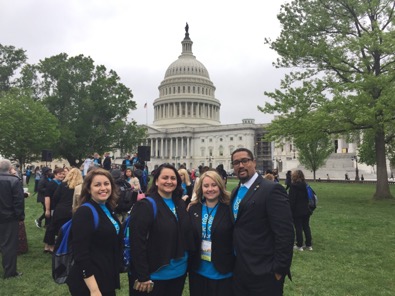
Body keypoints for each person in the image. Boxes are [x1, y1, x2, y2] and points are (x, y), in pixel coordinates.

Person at [230, 148, 294, 296]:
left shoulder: (271, 189)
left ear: (253, 162)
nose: (241, 166)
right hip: (240, 269)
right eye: (236, 162)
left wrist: (279, 269)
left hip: (264, 272)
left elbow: (285, 233)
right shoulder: (235, 191)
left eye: (245, 161)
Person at [128, 163, 193, 296]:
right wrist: (143, 276)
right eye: (165, 178)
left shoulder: (180, 204)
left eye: (173, 178)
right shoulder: (145, 206)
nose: (169, 181)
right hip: (154, 276)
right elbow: (136, 242)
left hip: (178, 274)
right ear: (156, 181)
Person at [66, 169, 122, 296]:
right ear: (89, 189)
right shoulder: (85, 213)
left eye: (106, 184)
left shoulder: (107, 207)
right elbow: (81, 254)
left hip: (105, 276)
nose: (103, 188)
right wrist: (94, 289)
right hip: (89, 283)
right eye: (97, 185)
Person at [188, 170, 234, 296]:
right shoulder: (193, 209)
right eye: (206, 186)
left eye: (214, 185)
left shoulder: (229, 209)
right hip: (198, 270)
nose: (210, 189)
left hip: (223, 271)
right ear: (201, 188)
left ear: (220, 186)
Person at [46, 168, 83, 252]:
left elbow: (55, 197)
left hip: (61, 209)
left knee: (57, 229)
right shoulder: (81, 186)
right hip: (73, 210)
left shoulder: (63, 185)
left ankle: (55, 246)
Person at [0, 159, 25, 279]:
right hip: (9, 218)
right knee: (9, 245)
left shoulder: (13, 180)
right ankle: (10, 272)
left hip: (7, 216)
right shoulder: (14, 180)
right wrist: (20, 216)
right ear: (10, 169)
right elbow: (18, 201)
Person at [288, 170, 313, 252]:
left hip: (297, 210)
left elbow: (292, 200)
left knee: (298, 227)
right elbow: (307, 198)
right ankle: (309, 244)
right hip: (306, 209)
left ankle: (299, 245)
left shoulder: (293, 186)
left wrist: (290, 210)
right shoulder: (305, 185)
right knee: (306, 227)